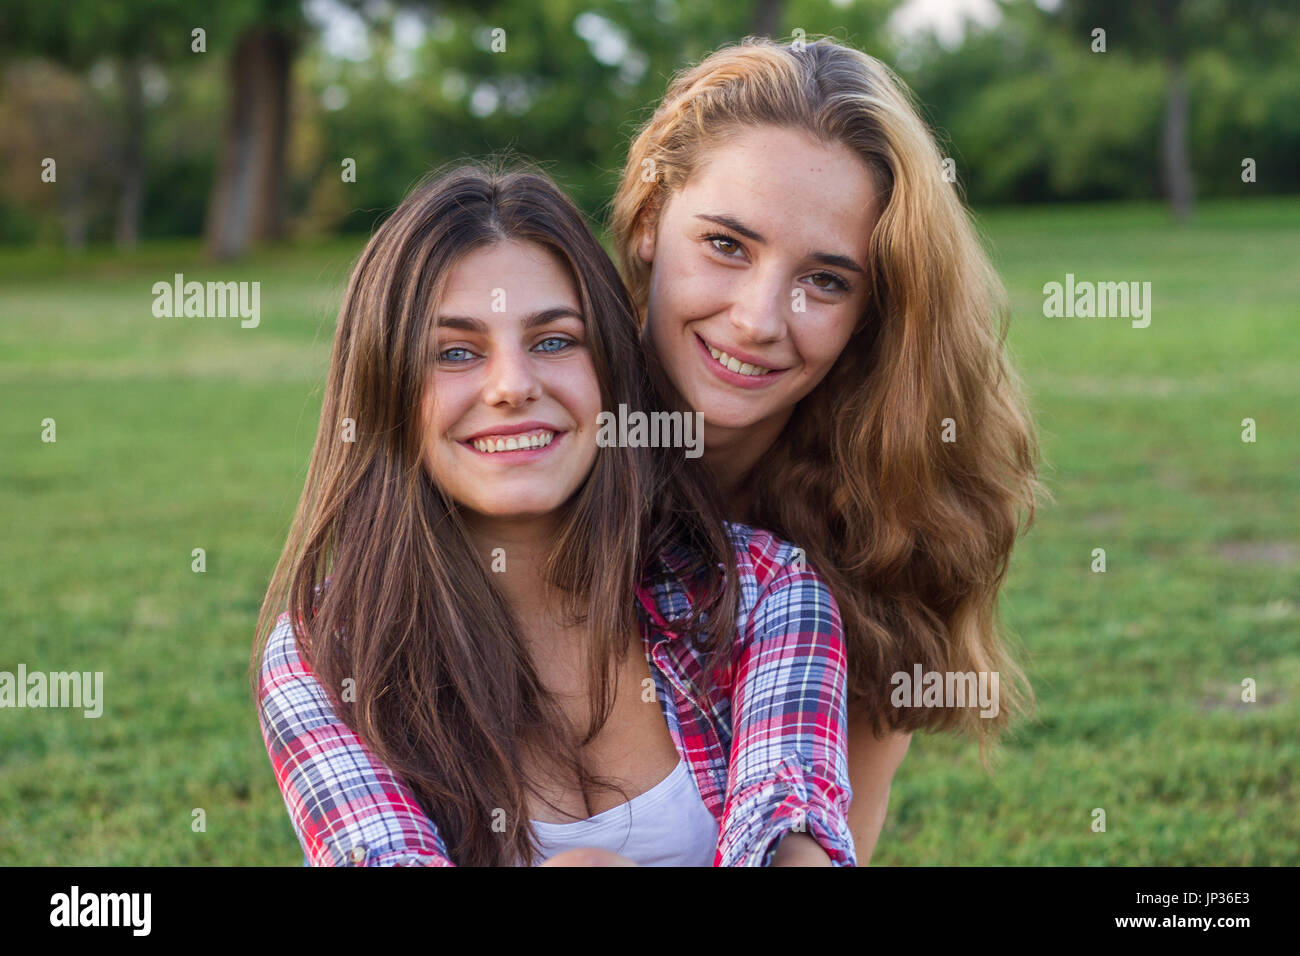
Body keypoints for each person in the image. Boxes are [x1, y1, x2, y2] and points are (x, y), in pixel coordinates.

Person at [253, 162, 856, 866]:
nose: (512, 386)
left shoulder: (764, 593)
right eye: (454, 352)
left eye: (552, 341)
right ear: (388, 395)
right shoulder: (328, 652)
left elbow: (795, 834)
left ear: (608, 368)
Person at [609, 35, 1044, 861]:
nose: (759, 319)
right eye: (727, 245)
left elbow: (825, 847)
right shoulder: (529, 442)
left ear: (871, 312)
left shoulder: (879, 523)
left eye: (826, 280)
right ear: (646, 220)